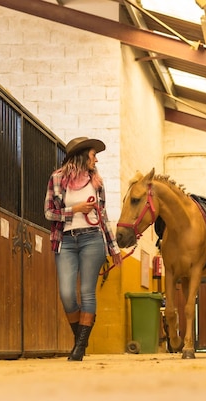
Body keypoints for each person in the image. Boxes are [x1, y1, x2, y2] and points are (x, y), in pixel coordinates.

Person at [44, 136, 123, 361]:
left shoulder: (96, 182)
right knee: (67, 294)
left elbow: (103, 216)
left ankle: (78, 348)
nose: (96, 160)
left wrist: (113, 248)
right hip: (66, 241)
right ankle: (82, 338)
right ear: (81, 156)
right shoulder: (57, 179)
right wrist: (75, 209)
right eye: (92, 155)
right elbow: (49, 213)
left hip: (92, 239)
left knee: (87, 292)